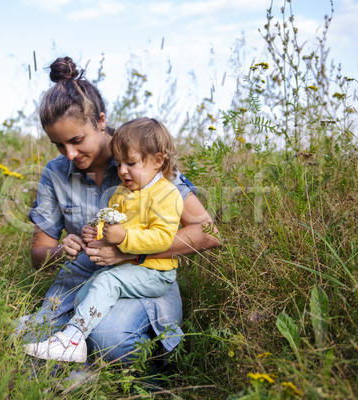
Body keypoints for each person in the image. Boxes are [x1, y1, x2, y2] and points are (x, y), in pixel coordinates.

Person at [13, 56, 220, 364]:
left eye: (77, 140)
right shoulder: (55, 173)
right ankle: (79, 376)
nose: (69, 154)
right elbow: (38, 254)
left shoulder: (143, 158)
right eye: (59, 145)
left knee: (110, 338)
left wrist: (129, 253)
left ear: (100, 120)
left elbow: (207, 233)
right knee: (22, 339)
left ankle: (146, 381)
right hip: (82, 280)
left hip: (143, 278)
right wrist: (62, 250)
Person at [24, 118, 184, 362]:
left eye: (130, 163)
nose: (121, 171)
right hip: (126, 268)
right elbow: (108, 221)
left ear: (158, 161)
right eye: (118, 164)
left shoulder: (166, 193)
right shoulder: (122, 191)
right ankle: (75, 344)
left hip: (155, 271)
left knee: (106, 282)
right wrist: (94, 232)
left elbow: (163, 238)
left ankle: (73, 340)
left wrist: (125, 238)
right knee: (83, 295)